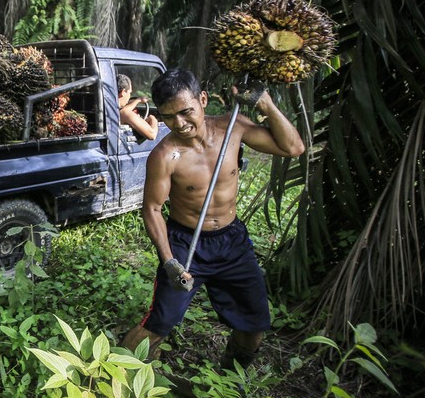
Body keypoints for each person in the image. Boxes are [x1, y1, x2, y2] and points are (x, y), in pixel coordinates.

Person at [121, 68, 305, 369]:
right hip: (185, 243)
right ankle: (118, 378)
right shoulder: (165, 156)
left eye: (185, 112)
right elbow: (153, 209)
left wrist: (265, 104)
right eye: (168, 117)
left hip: (232, 242)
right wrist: (169, 261)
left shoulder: (233, 128)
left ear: (203, 99)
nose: (179, 124)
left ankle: (229, 379)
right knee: (158, 324)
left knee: (254, 325)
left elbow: (293, 148)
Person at [117, 74, 160, 141]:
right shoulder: (124, 113)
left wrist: (138, 100)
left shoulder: (111, 109)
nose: (129, 96)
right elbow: (152, 135)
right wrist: (153, 119)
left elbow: (124, 110)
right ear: (123, 92)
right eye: (129, 93)